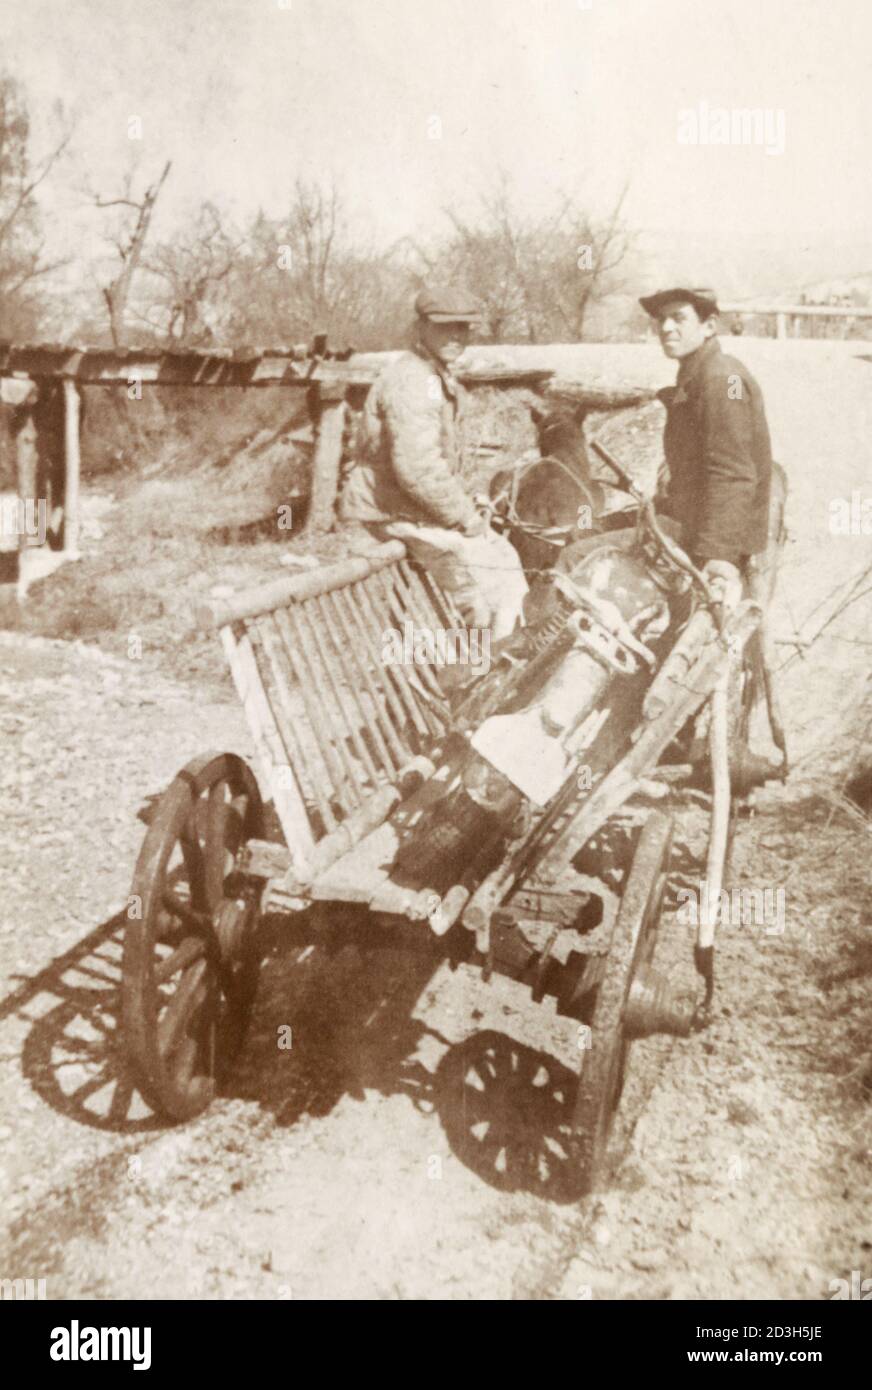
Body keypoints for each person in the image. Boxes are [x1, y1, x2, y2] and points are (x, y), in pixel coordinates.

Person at [338, 286, 527, 640]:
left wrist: (469, 501)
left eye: (464, 327)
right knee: (486, 594)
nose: (457, 335)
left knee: (506, 557)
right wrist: (464, 517)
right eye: (445, 326)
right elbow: (418, 468)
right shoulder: (413, 379)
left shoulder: (433, 373)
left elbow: (441, 459)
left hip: (413, 509)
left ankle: (499, 662)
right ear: (420, 326)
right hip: (391, 510)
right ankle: (482, 679)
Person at [638, 285, 775, 606]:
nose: (666, 327)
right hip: (695, 520)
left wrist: (721, 555)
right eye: (661, 319)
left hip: (708, 535)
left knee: (576, 556)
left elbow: (734, 474)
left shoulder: (720, 379)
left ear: (709, 326)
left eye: (678, 318)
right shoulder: (700, 373)